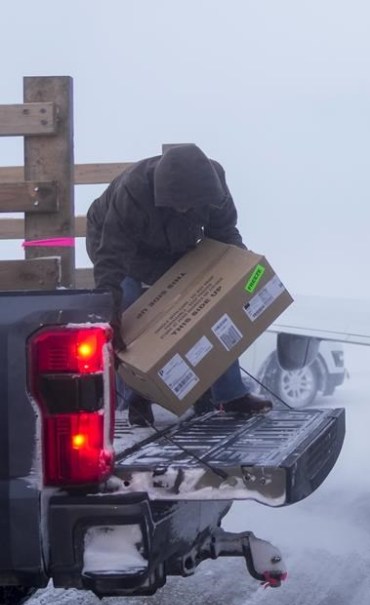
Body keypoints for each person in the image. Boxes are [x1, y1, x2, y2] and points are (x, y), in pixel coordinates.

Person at [86, 143, 272, 426]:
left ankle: (231, 394)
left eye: (190, 205)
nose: (184, 208)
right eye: (178, 204)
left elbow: (224, 233)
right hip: (118, 246)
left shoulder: (214, 184)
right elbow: (111, 258)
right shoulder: (133, 192)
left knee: (215, 305)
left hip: (174, 245)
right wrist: (110, 312)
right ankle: (139, 394)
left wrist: (241, 275)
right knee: (131, 309)